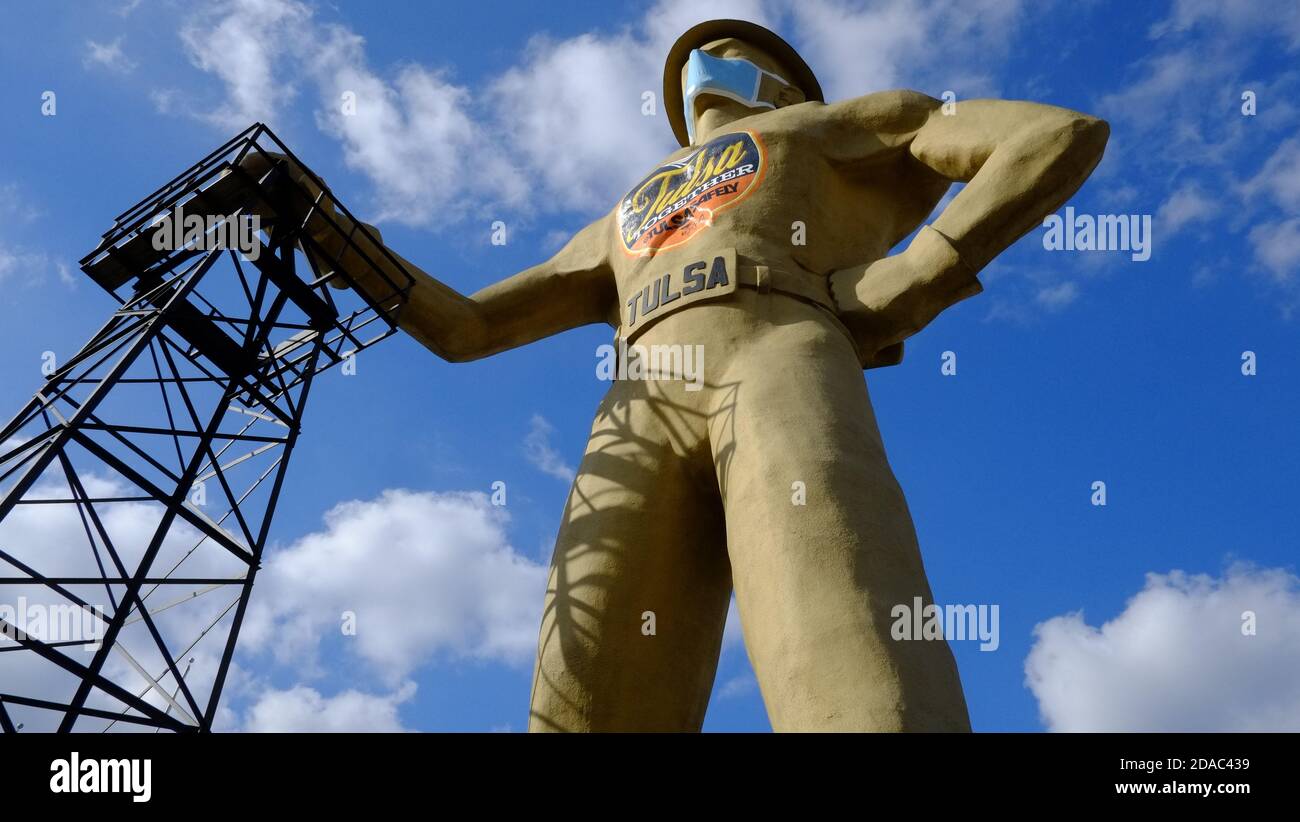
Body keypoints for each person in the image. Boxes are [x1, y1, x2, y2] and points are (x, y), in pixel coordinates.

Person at [263, 18, 1109, 731]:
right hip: (640, 399)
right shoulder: (625, 215)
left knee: (848, 640)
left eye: (737, 52)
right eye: (697, 58)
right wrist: (329, 229)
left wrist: (921, 269)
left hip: (783, 353)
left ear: (787, 87)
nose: (708, 67)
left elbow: (1051, 135)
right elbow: (469, 327)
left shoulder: (831, 126)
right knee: (576, 695)